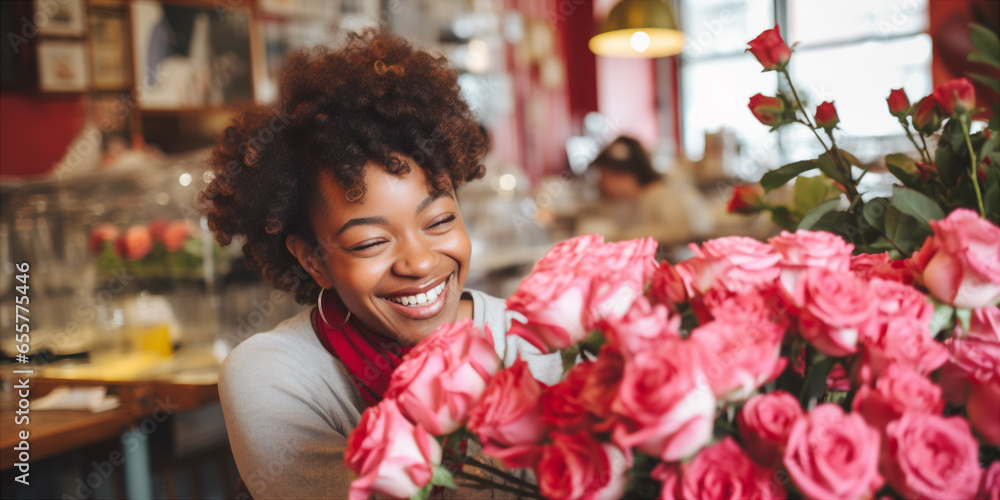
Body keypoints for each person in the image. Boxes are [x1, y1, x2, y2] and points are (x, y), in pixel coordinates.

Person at [202, 29, 562, 499]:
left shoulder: (540, 344)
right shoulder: (276, 375)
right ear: (314, 260)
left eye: (439, 220)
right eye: (372, 242)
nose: (419, 261)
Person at [589, 136, 711, 248]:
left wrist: (624, 237)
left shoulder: (661, 195)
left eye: (604, 176)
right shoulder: (623, 203)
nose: (601, 183)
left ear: (623, 174)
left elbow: (678, 230)